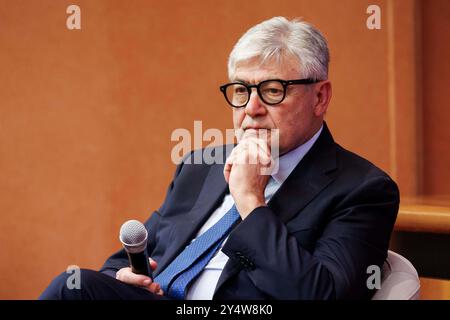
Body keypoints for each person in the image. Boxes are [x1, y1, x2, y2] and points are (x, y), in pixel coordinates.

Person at [39, 16, 399, 300]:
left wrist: (250, 202)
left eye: (272, 91)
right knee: (74, 287)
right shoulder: (202, 164)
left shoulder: (363, 190)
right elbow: (138, 251)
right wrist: (120, 274)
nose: (252, 109)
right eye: (241, 91)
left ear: (320, 97)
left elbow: (323, 294)